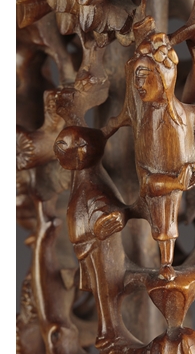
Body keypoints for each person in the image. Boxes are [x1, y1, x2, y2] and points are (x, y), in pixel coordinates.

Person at [102, 31, 195, 280]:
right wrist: (175, 182)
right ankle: (165, 260)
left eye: (144, 77)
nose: (139, 85)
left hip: (179, 191)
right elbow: (147, 182)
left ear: (164, 77)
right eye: (136, 79)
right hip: (152, 191)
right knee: (157, 201)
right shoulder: (139, 118)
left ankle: (166, 261)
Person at [54, 126, 141, 350]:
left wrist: (109, 220)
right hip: (87, 247)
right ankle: (108, 329)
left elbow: (112, 210)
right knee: (99, 292)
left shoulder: (95, 184)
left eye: (69, 145)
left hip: (99, 247)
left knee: (106, 289)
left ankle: (111, 330)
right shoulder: (81, 180)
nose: (61, 149)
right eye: (61, 144)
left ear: (86, 150)